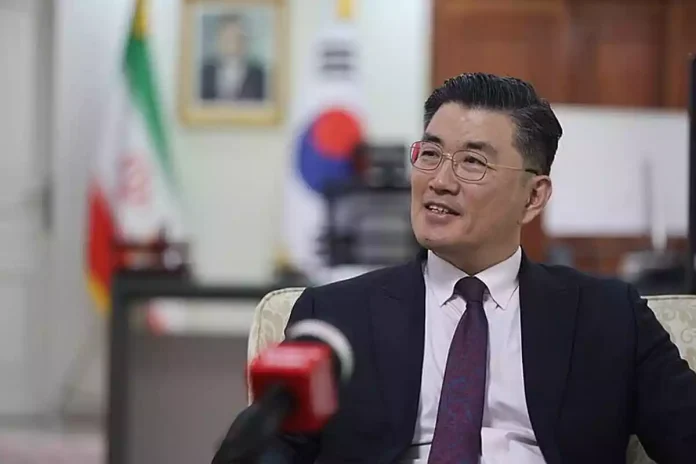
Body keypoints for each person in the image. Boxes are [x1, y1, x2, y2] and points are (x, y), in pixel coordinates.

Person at [213, 73, 696, 463]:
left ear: (533, 197)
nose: (439, 181)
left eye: (472, 162)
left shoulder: (608, 316)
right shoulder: (336, 317)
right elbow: (266, 452)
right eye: (431, 154)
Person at [200, 14, 266, 102]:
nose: (232, 44)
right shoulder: (205, 73)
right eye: (227, 38)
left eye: (237, 37)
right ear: (218, 40)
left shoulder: (258, 75)